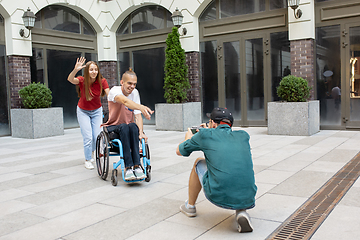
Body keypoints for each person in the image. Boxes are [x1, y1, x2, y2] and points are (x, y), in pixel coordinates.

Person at [176, 107, 257, 233]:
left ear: (213, 123)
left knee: (198, 162)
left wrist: (189, 137)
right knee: (234, 169)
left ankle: (190, 207)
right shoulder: (243, 136)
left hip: (219, 195)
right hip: (248, 197)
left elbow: (179, 151)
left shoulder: (204, 135)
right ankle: (241, 212)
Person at [102, 68, 154, 181]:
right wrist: (141, 106)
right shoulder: (114, 91)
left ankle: (137, 166)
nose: (132, 86)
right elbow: (125, 101)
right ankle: (128, 167)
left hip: (128, 128)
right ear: (122, 82)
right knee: (124, 127)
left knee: (133, 126)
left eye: (134, 84)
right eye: (129, 83)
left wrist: (140, 133)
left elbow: (137, 115)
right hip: (114, 127)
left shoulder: (135, 93)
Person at [67, 57, 110, 170]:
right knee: (88, 137)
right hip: (83, 111)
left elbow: (109, 94)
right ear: (87, 71)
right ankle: (88, 159)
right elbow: (70, 79)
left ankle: (91, 152)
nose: (94, 72)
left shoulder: (102, 81)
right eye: (91, 69)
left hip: (97, 111)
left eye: (95, 69)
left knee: (97, 136)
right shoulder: (82, 80)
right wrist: (76, 69)